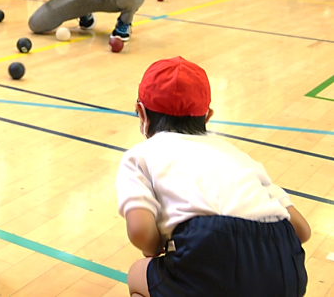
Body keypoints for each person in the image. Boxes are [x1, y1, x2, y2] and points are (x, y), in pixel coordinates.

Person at [117, 57, 310, 297]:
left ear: (141, 112)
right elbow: (302, 230)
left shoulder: (140, 156)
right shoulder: (240, 157)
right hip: (285, 265)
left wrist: (157, 247)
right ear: (207, 116)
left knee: (138, 273)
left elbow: (139, 230)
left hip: (208, 245)